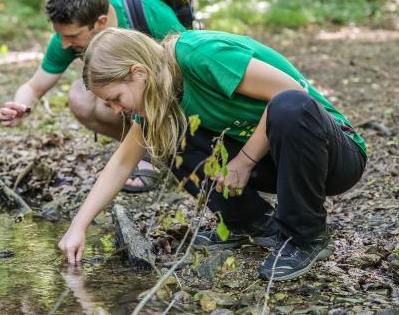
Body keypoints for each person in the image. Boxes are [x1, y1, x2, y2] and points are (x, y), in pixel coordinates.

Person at [58, 27, 367, 281]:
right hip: (277, 161)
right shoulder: (159, 91)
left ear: (138, 72)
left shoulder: (199, 54)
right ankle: (252, 225)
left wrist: (244, 161)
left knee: (288, 106)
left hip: (332, 155)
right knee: (168, 132)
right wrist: (78, 226)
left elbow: (293, 92)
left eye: (115, 98)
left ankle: (305, 236)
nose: (116, 110)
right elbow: (123, 161)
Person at [0, 0, 187, 192]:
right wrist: (20, 107)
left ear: (101, 22)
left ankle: (166, 145)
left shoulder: (150, 13)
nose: (65, 44)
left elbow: (186, 74)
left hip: (168, 93)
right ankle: (143, 152)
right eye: (61, 36)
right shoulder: (67, 35)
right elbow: (33, 86)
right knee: (81, 97)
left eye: (72, 36)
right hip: (133, 99)